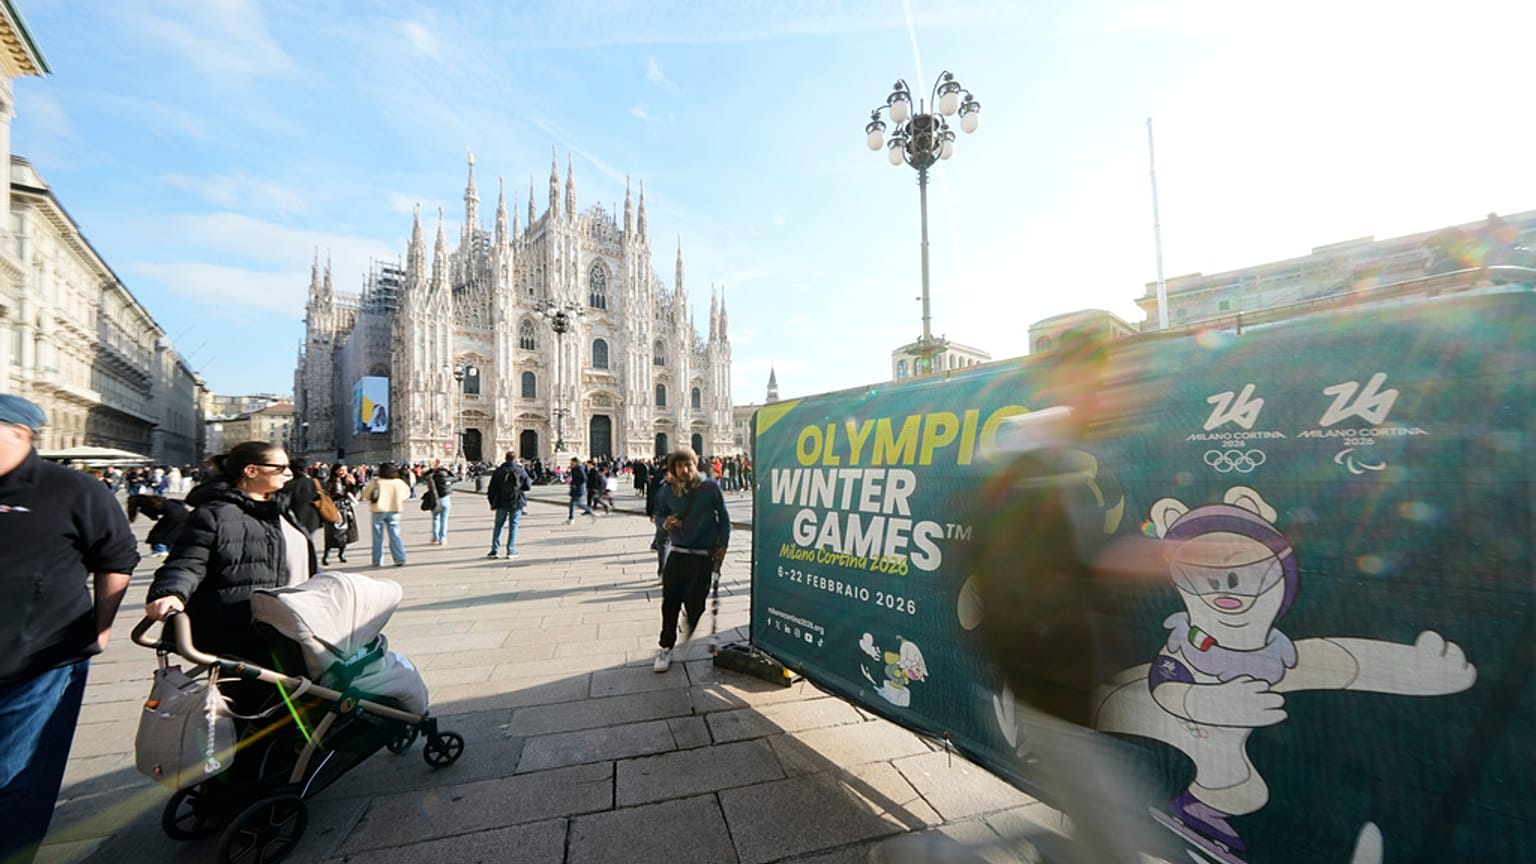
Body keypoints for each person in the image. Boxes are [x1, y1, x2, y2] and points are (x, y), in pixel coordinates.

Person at [0, 396, 137, 864]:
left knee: (14, 774)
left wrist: (102, 629)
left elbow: (116, 559)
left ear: (20, 433)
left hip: (41, 659)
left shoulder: (73, 489)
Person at [144, 442, 317, 664]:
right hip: (243, 633)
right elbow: (187, 561)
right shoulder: (214, 514)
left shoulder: (279, 508)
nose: (289, 473)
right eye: (280, 468)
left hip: (292, 627)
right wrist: (170, 593)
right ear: (251, 470)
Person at [651, 447, 730, 673]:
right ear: (674, 469)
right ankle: (666, 646)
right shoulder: (667, 491)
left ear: (696, 466)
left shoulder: (709, 488)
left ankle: (691, 614)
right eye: (680, 466)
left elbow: (724, 519)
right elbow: (658, 514)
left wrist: (722, 546)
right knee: (669, 603)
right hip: (678, 553)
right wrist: (665, 523)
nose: (685, 470)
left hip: (703, 556)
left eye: (689, 465)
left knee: (696, 605)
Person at [360, 462, 411, 566]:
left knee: (377, 537)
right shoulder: (398, 482)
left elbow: (365, 495)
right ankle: (400, 558)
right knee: (395, 535)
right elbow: (407, 494)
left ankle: (377, 560)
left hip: (378, 510)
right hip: (394, 510)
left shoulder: (376, 482)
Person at [485, 452, 532, 559]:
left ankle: (494, 551)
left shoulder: (499, 471)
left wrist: (492, 503)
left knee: (498, 526)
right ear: (516, 459)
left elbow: (491, 488)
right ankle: (510, 551)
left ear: (505, 459)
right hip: (516, 502)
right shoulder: (520, 470)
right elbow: (528, 486)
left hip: (501, 502)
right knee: (513, 526)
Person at [126, 493, 191, 557]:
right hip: (184, 513)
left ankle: (159, 550)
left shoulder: (145, 505)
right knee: (174, 533)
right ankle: (171, 549)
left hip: (173, 515)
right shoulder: (156, 499)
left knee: (157, 534)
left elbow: (153, 517)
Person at [321, 470, 359, 565]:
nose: (343, 472)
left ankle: (341, 554)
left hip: (345, 510)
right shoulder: (330, 482)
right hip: (334, 510)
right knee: (331, 534)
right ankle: (326, 556)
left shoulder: (345, 482)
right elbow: (326, 495)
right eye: (341, 470)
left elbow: (353, 493)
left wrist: (353, 484)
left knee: (344, 533)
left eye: (344, 470)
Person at [565, 456, 596, 524]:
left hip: (579, 489)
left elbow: (584, 478)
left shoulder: (579, 468)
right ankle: (571, 518)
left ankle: (590, 511)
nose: (570, 463)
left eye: (572, 462)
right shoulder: (576, 468)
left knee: (578, 504)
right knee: (573, 504)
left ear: (575, 462)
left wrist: (575, 484)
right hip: (576, 489)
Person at [428, 466, 453, 545]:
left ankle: (435, 537)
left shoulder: (432, 478)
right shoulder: (448, 478)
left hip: (435, 499)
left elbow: (424, 475)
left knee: (435, 519)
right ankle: (443, 539)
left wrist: (432, 470)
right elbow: (458, 478)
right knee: (444, 520)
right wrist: (449, 471)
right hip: (445, 500)